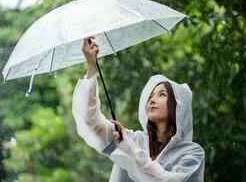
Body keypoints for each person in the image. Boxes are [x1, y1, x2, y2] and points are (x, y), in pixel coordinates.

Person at [72, 37, 205, 182]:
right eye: (151, 95)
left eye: (162, 94)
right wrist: (91, 66)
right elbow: (90, 120)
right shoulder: (130, 138)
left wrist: (129, 147)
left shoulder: (192, 153)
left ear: (177, 106)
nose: (152, 99)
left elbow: (168, 180)